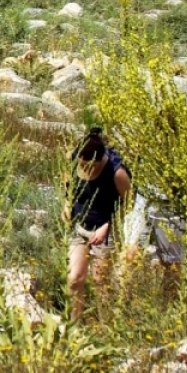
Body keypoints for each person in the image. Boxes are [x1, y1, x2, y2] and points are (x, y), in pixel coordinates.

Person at [66, 128, 132, 321]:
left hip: (106, 230)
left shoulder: (116, 172)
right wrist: (67, 205)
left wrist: (108, 225)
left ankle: (105, 326)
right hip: (81, 226)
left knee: (100, 282)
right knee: (74, 279)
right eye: (83, 166)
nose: (87, 171)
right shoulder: (72, 158)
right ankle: (74, 327)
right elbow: (67, 184)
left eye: (91, 167)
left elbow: (129, 204)